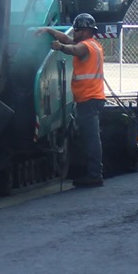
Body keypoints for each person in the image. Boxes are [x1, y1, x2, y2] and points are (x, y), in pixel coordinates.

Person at [44, 12, 109, 187]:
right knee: (90, 137)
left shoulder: (86, 46)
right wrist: (49, 30)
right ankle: (92, 173)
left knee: (91, 139)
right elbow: (68, 40)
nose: (76, 33)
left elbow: (73, 49)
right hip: (90, 99)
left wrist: (60, 47)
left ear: (87, 31)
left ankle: (95, 175)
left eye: (78, 30)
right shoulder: (94, 45)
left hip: (89, 99)